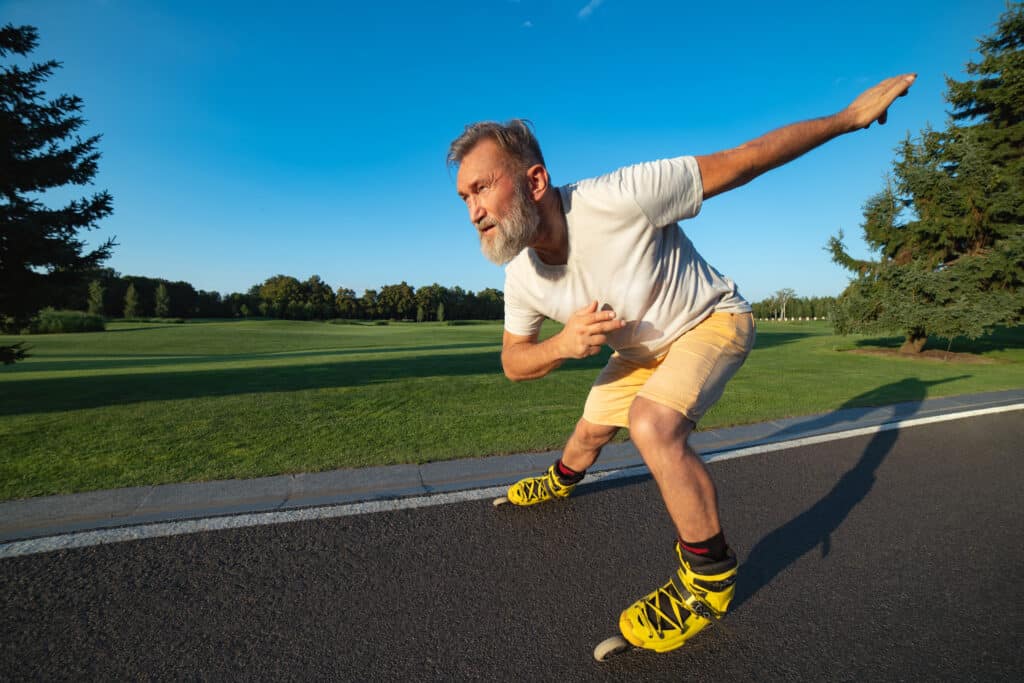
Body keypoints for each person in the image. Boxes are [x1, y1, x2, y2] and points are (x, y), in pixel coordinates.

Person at [447, 74, 916, 654]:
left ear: (535, 180)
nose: (473, 212)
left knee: (650, 423)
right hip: (641, 350)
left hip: (711, 321)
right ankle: (558, 481)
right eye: (465, 197)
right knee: (590, 431)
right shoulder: (520, 276)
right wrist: (560, 346)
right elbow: (515, 362)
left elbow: (742, 161)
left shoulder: (621, 195)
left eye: (481, 189)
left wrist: (847, 120)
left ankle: (708, 579)